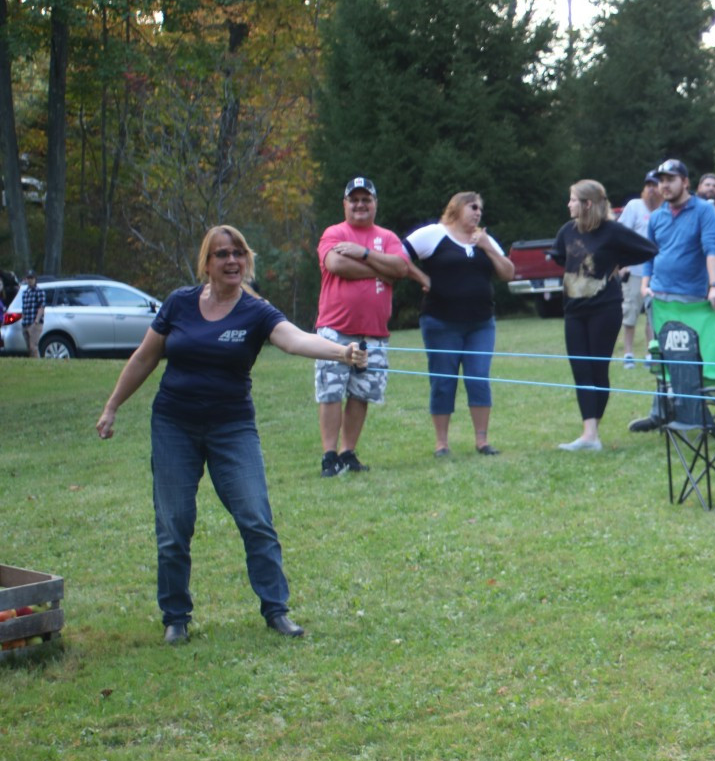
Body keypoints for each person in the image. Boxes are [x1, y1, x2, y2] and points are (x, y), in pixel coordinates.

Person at [94, 225, 369, 645]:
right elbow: (145, 356)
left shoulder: (256, 312)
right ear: (207, 263)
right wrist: (112, 406)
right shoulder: (179, 304)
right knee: (174, 525)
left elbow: (294, 340)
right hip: (174, 425)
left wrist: (342, 352)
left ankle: (276, 611)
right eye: (222, 254)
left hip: (231, 427)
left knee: (256, 518)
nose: (232, 261)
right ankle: (176, 618)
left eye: (239, 253)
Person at [313, 176, 428, 477]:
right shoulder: (334, 232)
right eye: (355, 199)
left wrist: (363, 254)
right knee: (331, 391)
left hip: (374, 333)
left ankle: (347, 452)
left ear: (375, 203)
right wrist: (380, 269)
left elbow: (401, 268)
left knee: (361, 393)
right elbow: (336, 265)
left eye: (367, 199)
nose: (360, 204)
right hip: (335, 330)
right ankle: (329, 456)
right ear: (345, 204)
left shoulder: (387, 237)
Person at [548, 179, 657, 451]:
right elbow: (562, 257)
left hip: (605, 309)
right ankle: (589, 434)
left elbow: (649, 249)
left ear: (587, 204)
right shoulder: (567, 231)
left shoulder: (612, 231)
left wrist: (616, 263)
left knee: (597, 368)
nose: (568, 204)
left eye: (573, 199)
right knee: (580, 369)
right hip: (573, 310)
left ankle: (591, 434)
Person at [406, 192, 515, 457]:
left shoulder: (483, 240)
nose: (478, 212)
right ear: (456, 208)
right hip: (441, 323)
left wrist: (488, 246)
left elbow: (508, 273)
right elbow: (398, 256)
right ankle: (442, 443)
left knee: (478, 378)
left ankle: (482, 441)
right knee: (443, 381)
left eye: (481, 208)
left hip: (480, 324)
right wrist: (422, 277)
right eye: (472, 206)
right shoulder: (433, 234)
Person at [629, 158, 715, 432]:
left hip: (693, 298)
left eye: (670, 179)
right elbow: (650, 253)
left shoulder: (703, 211)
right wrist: (645, 284)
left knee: (693, 355)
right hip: (659, 297)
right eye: (661, 180)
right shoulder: (658, 216)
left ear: (685, 182)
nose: (664, 185)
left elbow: (712, 249)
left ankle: (696, 412)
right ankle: (659, 412)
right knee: (663, 354)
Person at [616, 171, 663, 368]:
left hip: (657, 272)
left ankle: (650, 353)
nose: (651, 189)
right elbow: (620, 235)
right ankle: (628, 353)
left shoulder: (664, 209)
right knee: (630, 313)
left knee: (653, 315)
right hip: (634, 271)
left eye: (655, 185)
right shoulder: (634, 206)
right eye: (648, 185)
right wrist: (622, 264)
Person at [19, 270, 44, 358]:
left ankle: (38, 364)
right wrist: (22, 320)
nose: (30, 280)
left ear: (35, 279)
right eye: (28, 278)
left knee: (33, 346)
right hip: (25, 323)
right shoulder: (25, 293)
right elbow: (24, 308)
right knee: (29, 348)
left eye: (31, 278)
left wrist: (36, 322)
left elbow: (41, 307)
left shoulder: (39, 291)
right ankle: (32, 364)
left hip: (35, 324)